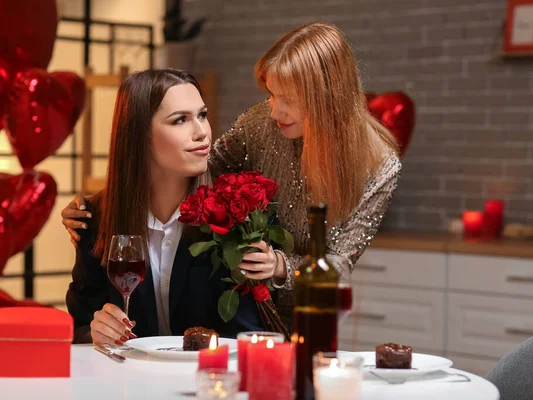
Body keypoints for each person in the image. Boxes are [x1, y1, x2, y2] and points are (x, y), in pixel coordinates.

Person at [62, 22, 402, 329]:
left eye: (288, 99)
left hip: (305, 312)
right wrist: (100, 206)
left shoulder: (378, 166)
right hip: (243, 296)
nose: (274, 109)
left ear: (328, 99)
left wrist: (280, 265)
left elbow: (338, 267)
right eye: (270, 94)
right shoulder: (264, 123)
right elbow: (196, 163)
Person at [66, 69, 264, 345]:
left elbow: (247, 333)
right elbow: (78, 325)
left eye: (202, 115)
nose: (202, 132)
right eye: (180, 120)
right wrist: (96, 331)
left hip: (209, 380)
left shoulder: (233, 212)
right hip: (129, 381)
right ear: (138, 135)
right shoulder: (96, 217)